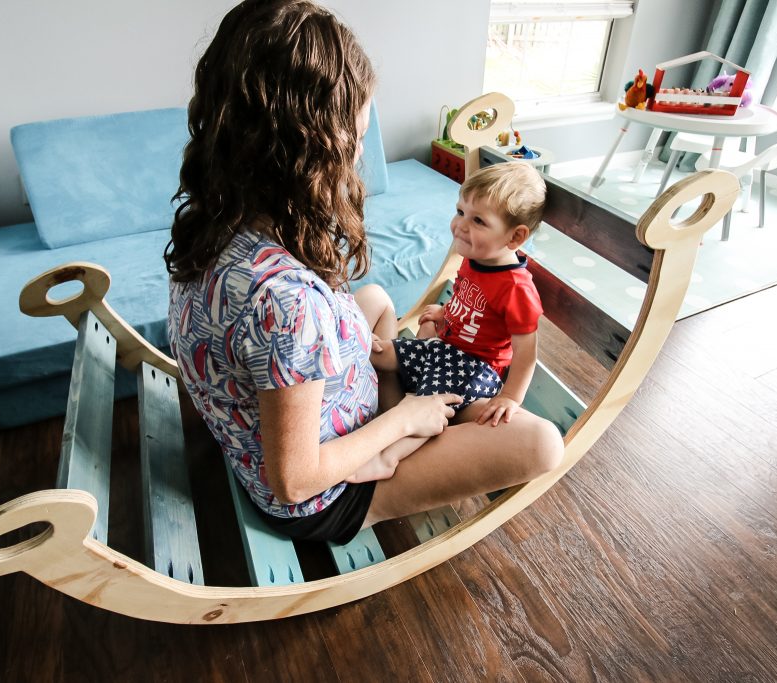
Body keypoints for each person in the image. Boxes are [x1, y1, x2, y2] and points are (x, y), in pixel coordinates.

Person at [165, 0, 563, 546]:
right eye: (353, 139)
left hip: (299, 417)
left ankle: (394, 392)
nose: (355, 157)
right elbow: (294, 481)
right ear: (310, 149)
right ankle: (398, 405)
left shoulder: (213, 224)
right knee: (542, 445)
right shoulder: (285, 302)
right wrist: (402, 421)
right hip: (325, 492)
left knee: (373, 294)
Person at [371, 163, 546, 438]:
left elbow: (526, 354)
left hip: (473, 369)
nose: (460, 226)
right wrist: (446, 313)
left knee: (424, 410)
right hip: (444, 351)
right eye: (461, 212)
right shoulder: (475, 259)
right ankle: (374, 406)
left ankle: (391, 454)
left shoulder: (516, 289)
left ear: (515, 236)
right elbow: (469, 299)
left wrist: (511, 397)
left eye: (478, 221)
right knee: (378, 352)